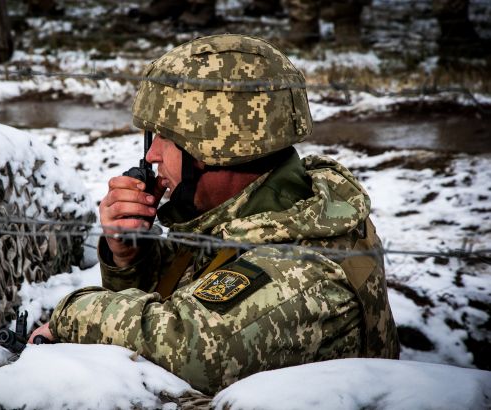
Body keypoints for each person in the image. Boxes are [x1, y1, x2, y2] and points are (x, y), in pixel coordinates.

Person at [29, 34, 399, 394]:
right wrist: (129, 255)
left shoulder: (302, 267)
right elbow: (171, 302)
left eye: (163, 137)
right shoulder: (244, 215)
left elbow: (187, 347)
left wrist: (70, 315)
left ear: (214, 150)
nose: (153, 155)